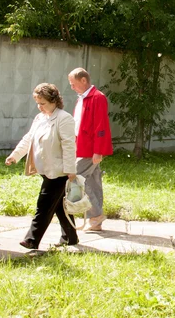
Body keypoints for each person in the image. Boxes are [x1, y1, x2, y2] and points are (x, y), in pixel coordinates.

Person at [6, 83, 78, 249]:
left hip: (59, 171)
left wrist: (70, 170)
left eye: (43, 103)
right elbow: (28, 139)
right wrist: (15, 155)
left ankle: (32, 239)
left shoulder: (64, 118)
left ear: (54, 101)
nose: (39, 107)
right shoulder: (40, 118)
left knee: (44, 204)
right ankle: (70, 237)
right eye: (37, 103)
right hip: (45, 169)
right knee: (59, 205)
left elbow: (69, 145)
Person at [67, 68, 113, 231]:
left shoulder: (97, 97)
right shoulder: (82, 98)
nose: (71, 87)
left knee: (77, 177)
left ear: (83, 80)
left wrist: (98, 150)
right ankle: (96, 221)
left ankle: (96, 215)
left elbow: (101, 125)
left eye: (73, 83)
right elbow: (79, 123)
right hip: (82, 147)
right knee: (93, 182)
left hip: (91, 149)